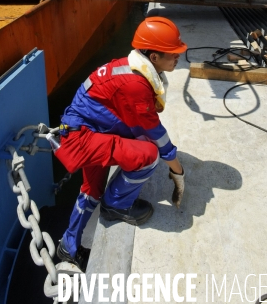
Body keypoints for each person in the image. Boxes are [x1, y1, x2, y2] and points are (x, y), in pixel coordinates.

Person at [48, 17, 187, 271]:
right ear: (153, 57)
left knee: (91, 190)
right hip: (83, 138)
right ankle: (117, 205)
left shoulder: (131, 68)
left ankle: (68, 247)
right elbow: (155, 132)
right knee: (150, 154)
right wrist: (177, 168)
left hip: (86, 129)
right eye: (173, 54)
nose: (178, 57)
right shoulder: (136, 84)